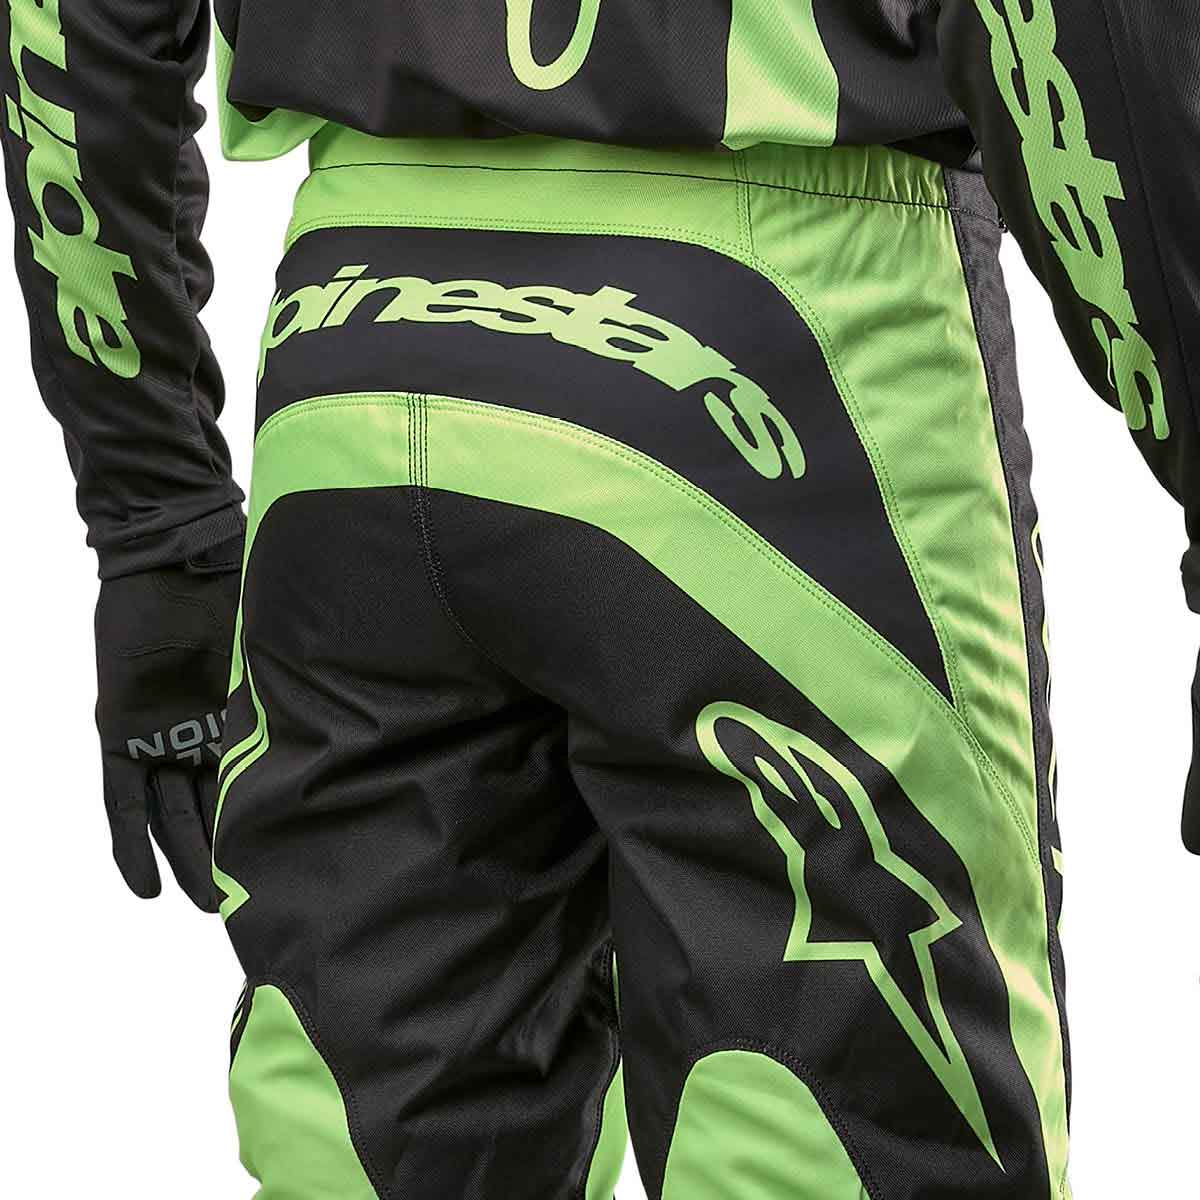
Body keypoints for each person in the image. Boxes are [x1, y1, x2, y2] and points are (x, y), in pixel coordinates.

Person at [3, 2, 1196, 1196]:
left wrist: (157, 523)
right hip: (780, 345)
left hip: (356, 354)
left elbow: (70, 20)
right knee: (847, 1127)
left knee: (360, 1149)